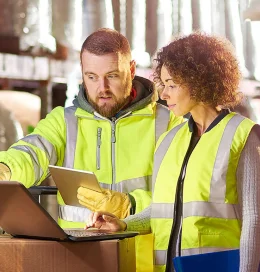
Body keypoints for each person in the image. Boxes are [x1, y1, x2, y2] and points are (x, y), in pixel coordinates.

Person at [0, 28, 184, 271]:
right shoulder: (64, 122)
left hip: (145, 264)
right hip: (80, 262)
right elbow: (31, 153)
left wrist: (130, 205)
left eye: (112, 75)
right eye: (92, 77)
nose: (102, 88)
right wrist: (5, 169)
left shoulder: (168, 123)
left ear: (130, 69)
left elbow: (179, 197)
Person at [86, 32, 260, 272]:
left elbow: (253, 221)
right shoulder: (170, 140)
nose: (164, 94)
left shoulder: (241, 133)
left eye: (172, 84)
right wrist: (123, 223)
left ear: (199, 82)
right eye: (163, 84)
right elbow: (163, 210)